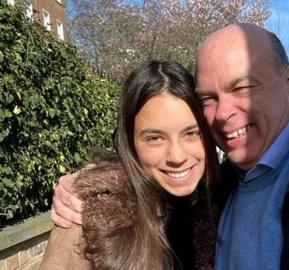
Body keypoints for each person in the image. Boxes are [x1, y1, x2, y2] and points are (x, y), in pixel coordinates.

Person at [52, 24, 289, 269]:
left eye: (244, 87)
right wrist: (93, 186)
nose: (225, 113)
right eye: (209, 98)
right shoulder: (231, 182)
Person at [41, 60, 218, 269]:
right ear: (130, 142)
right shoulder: (89, 218)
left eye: (191, 133)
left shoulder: (224, 198)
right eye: (155, 138)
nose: (177, 156)